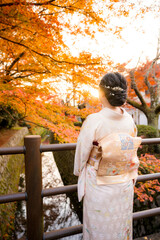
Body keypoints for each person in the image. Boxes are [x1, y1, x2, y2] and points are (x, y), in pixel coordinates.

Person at [73, 72, 142, 240]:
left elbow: (82, 154)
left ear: (102, 94)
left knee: (99, 228)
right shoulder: (130, 120)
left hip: (99, 182)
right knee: (120, 225)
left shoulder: (94, 120)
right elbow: (132, 151)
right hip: (124, 181)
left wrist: (78, 172)